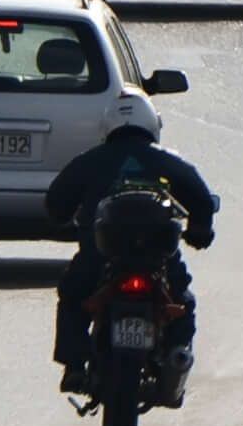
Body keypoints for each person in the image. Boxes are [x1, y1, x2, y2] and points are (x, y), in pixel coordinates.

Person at [44, 121, 220, 384]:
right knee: (182, 300)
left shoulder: (89, 161)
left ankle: (74, 366)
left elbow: (56, 204)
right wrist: (200, 231)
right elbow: (203, 201)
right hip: (159, 260)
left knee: (73, 295)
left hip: (99, 258)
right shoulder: (168, 160)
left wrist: (66, 222)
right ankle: (177, 353)